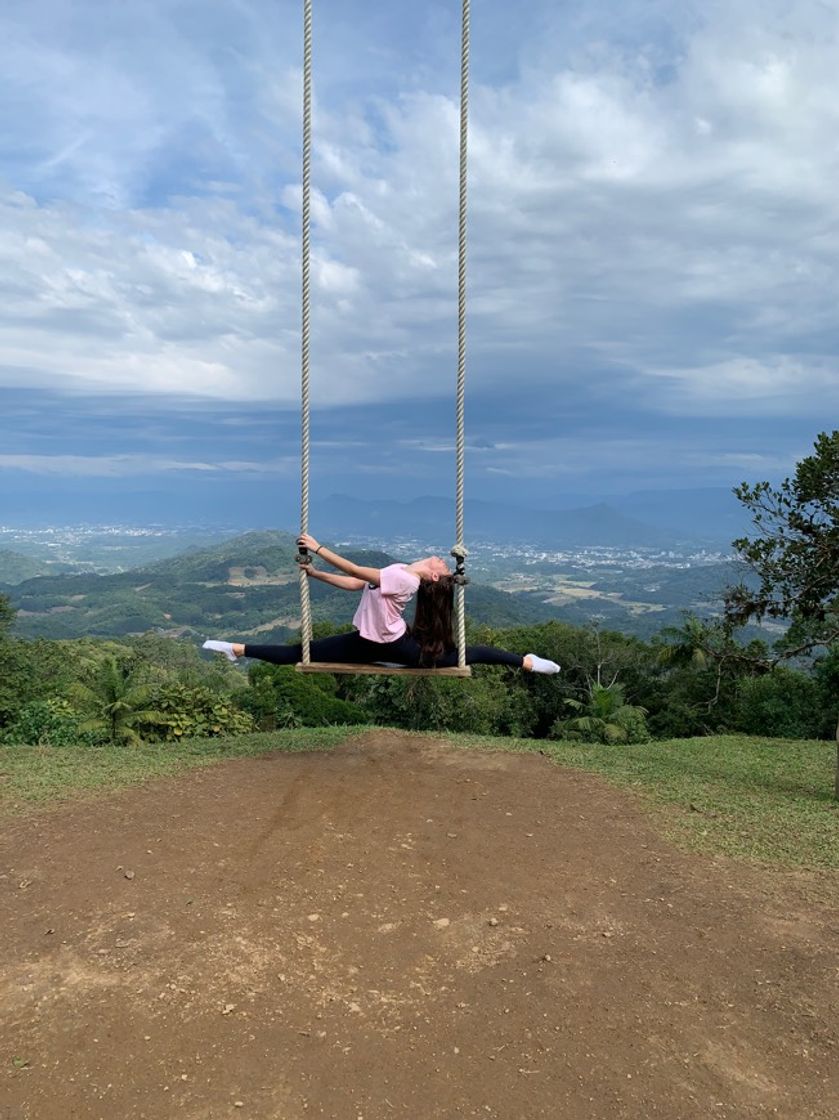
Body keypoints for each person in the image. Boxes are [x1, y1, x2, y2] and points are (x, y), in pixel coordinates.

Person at [203, 533, 560, 674]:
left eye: (443, 567)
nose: (440, 560)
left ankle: (526, 662)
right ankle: (238, 649)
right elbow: (354, 583)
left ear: (433, 577)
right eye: (443, 562)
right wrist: (316, 575)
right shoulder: (399, 569)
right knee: (301, 652)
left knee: (471, 654)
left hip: (394, 645)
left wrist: (318, 548)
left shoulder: (407, 579)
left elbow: (357, 568)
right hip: (365, 640)